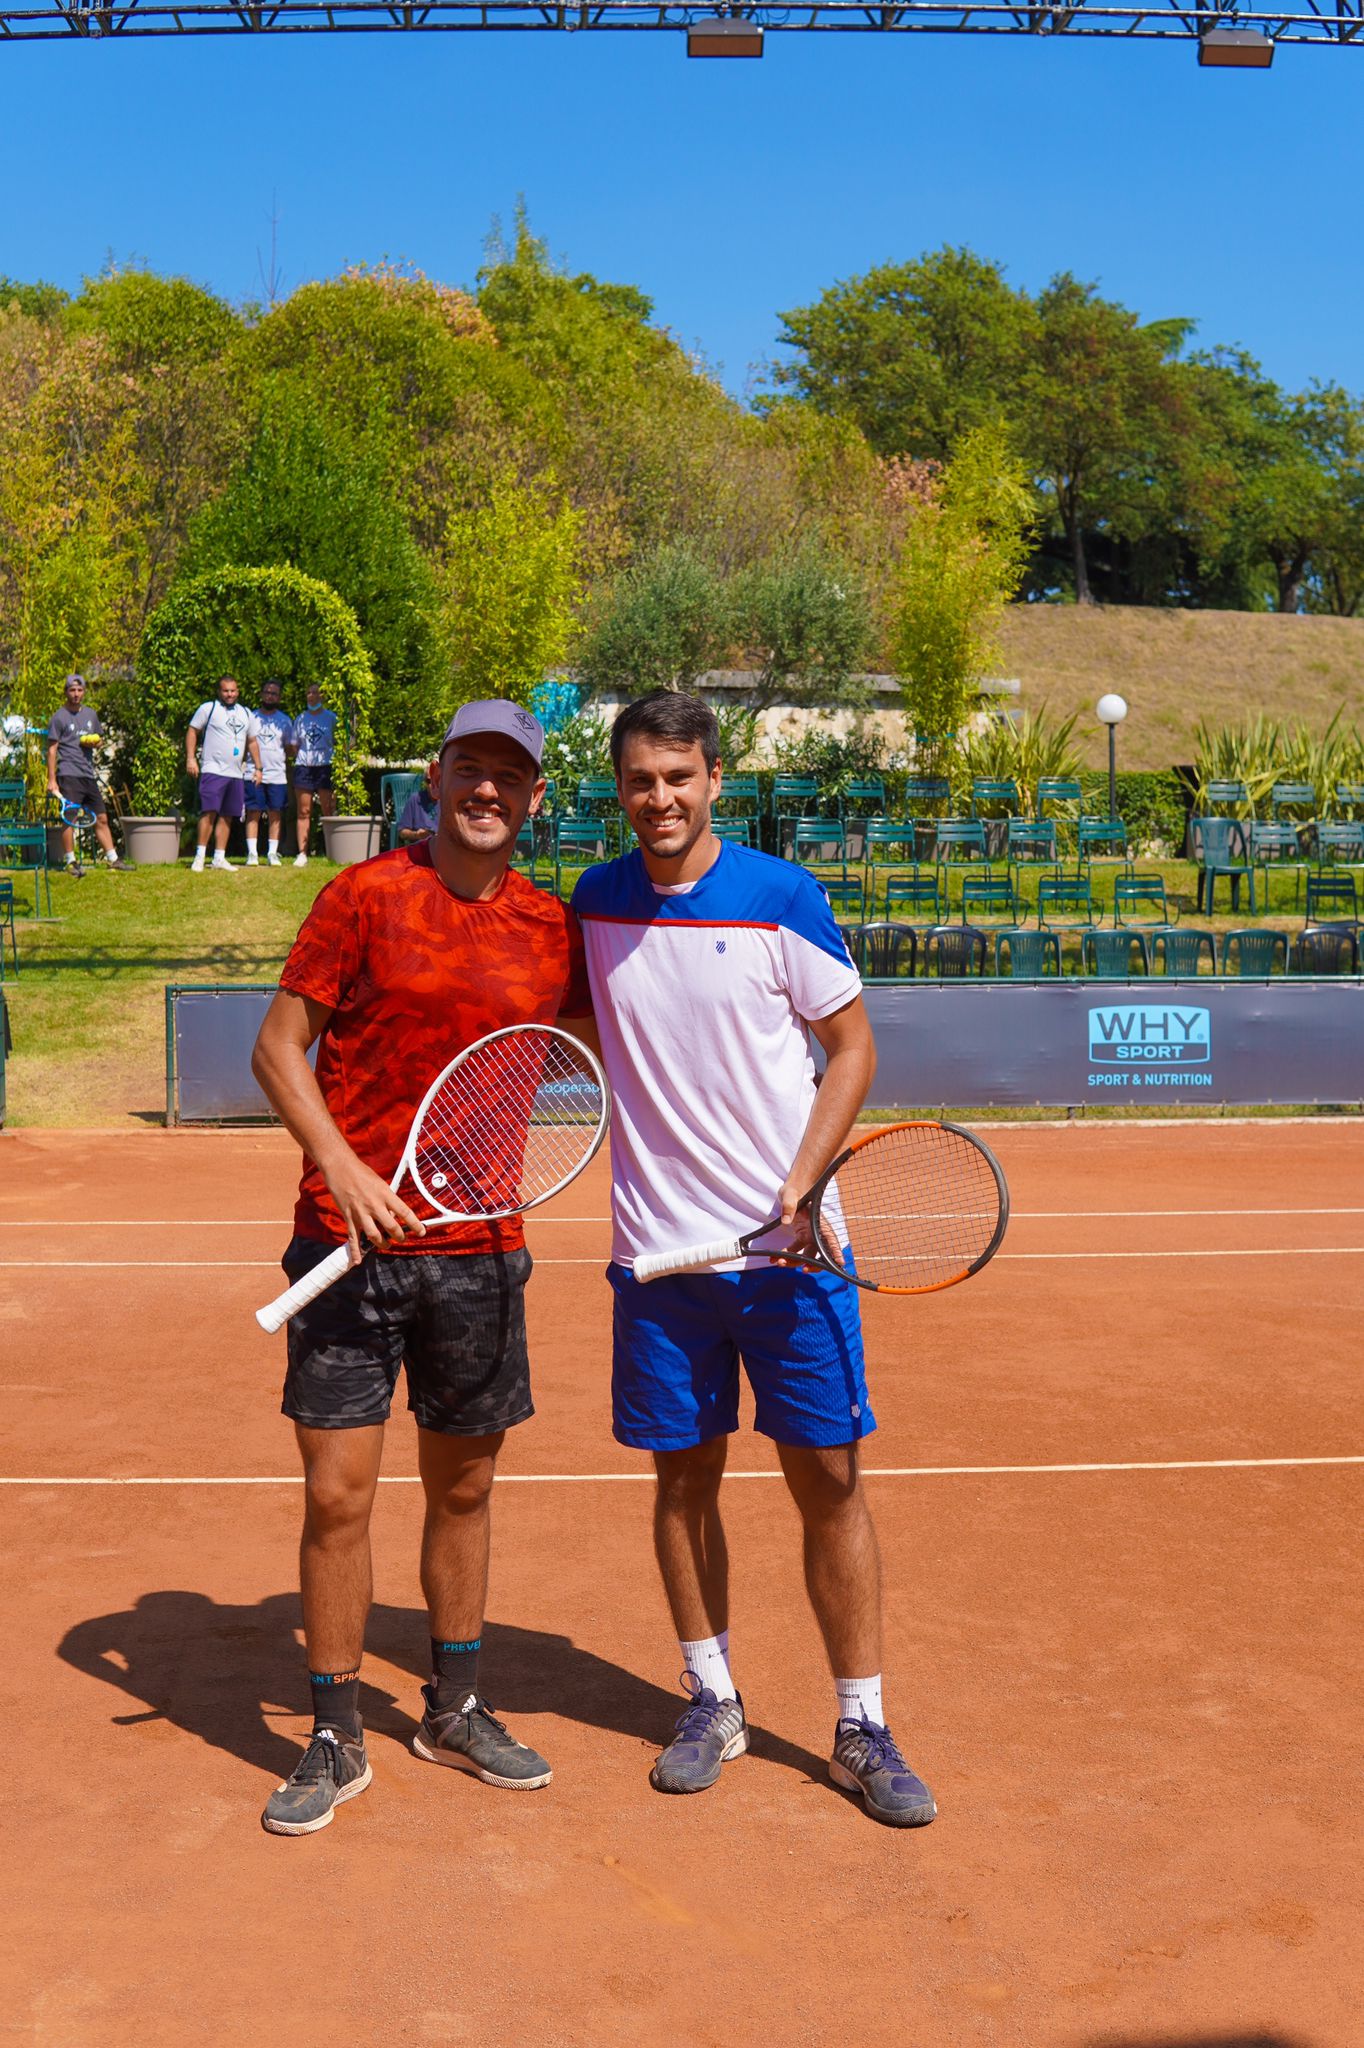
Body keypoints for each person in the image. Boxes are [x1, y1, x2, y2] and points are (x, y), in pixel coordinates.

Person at [571, 690, 935, 1830]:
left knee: (827, 1483)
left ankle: (861, 1722)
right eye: (639, 779)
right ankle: (711, 1697)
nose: (658, 798)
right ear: (619, 787)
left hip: (792, 1256)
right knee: (681, 1481)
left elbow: (851, 1044)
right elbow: (593, 1033)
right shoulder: (594, 901)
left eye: (678, 776)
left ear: (714, 776)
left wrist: (800, 1188)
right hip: (659, 1258)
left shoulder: (782, 895)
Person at [250, 699, 592, 1837]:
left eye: (511, 776)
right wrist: (340, 1165)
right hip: (343, 1248)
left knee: (466, 1485)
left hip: (481, 1248)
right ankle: (334, 1728)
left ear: (534, 797)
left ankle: (454, 1702)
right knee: (338, 1492)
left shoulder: (554, 928)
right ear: (437, 778)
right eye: (471, 768)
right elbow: (277, 1045)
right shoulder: (362, 895)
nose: (488, 790)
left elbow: (651, 1030)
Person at [45, 675, 131, 875]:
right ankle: (70, 862)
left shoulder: (91, 715)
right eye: (72, 690)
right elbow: (51, 750)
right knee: (70, 818)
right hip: (68, 773)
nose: (76, 694)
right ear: (66, 692)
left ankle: (113, 859)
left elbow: (99, 740)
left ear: (84, 691)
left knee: (100, 817)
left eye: (79, 690)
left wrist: (95, 743)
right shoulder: (59, 717)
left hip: (87, 774)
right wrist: (52, 779)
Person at [186, 676, 263, 874]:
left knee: (228, 815)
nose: (230, 694)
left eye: (233, 691)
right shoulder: (208, 709)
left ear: (238, 691)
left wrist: (258, 768)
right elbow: (193, 731)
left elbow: (252, 741)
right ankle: (200, 856)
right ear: (219, 692)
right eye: (226, 691)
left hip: (236, 773)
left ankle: (219, 857)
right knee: (209, 811)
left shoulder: (246, 713)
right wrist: (191, 758)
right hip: (213, 769)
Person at [245, 678, 295, 868]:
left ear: (279, 697)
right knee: (253, 812)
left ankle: (272, 853)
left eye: (274, 693)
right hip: (253, 772)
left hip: (277, 774)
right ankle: (252, 853)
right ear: (261, 694)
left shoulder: (284, 720)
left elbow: (290, 748)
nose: (270, 696)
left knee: (275, 813)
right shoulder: (252, 717)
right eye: (267, 692)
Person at [291, 681, 337, 867]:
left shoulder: (331, 718)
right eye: (308, 692)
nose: (312, 696)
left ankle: (332, 850)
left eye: (315, 692)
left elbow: (337, 741)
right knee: (304, 811)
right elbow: (295, 745)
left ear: (322, 696)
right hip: (304, 766)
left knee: (328, 809)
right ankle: (302, 853)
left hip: (325, 766)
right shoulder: (300, 719)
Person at [396, 760, 440, 844]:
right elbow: (402, 832)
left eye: (437, 780)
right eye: (428, 781)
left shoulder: (449, 800)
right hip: (420, 847)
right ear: (424, 782)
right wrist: (416, 835)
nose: (432, 785)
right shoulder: (415, 799)